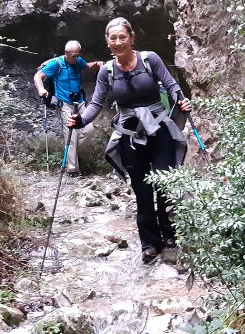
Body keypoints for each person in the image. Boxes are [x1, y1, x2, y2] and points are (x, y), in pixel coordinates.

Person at [66, 17, 192, 263]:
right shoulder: (107, 71)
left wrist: (181, 100)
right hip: (130, 136)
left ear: (132, 38)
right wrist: (80, 121)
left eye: (122, 37)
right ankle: (149, 243)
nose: (118, 42)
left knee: (164, 184)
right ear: (107, 42)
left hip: (159, 130)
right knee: (142, 190)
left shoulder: (150, 59)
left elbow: (171, 84)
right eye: (113, 38)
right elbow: (96, 103)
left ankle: (169, 236)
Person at [33, 40, 101, 177]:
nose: (76, 59)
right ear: (66, 53)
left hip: (80, 102)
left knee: (89, 129)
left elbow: (86, 67)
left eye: (77, 55)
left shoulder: (77, 61)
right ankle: (72, 169)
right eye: (73, 56)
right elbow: (38, 76)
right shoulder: (56, 64)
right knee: (70, 136)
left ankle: (73, 152)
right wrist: (41, 89)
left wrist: (97, 64)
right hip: (65, 104)